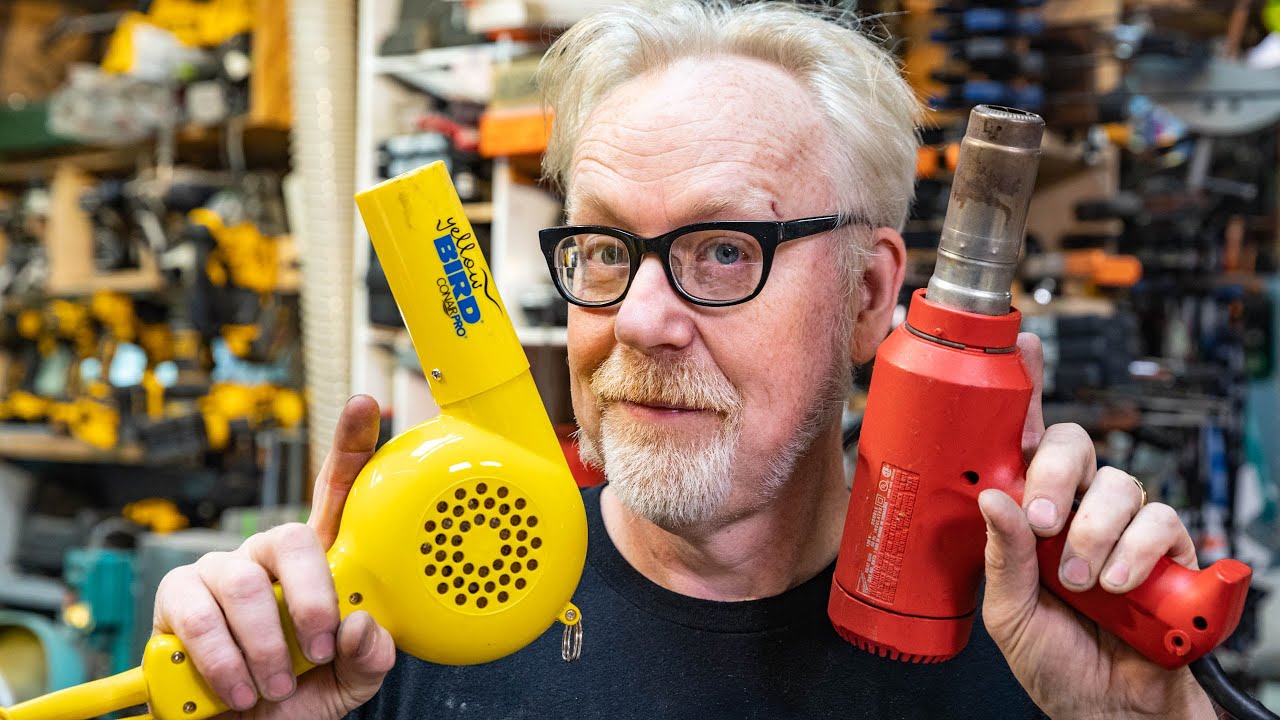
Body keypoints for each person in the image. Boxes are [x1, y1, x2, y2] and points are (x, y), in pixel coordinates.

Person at [151, 2, 1218, 718]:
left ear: (867, 296)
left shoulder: (1033, 650)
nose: (639, 320)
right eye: (606, 249)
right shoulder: (411, 625)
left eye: (722, 250)